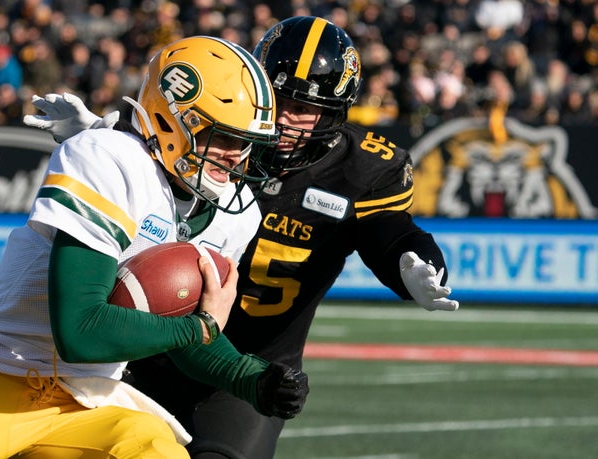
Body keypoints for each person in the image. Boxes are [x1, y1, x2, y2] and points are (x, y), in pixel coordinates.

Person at [25, 16, 459, 459]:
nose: (290, 119)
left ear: (335, 111)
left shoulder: (362, 170)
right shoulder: (214, 137)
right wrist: (105, 138)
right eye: (283, 100)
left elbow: (390, 232)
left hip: (247, 362)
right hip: (151, 340)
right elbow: (156, 155)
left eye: (308, 109)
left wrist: (411, 258)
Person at [0, 35, 310, 459]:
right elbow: (81, 330)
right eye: (227, 138)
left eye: (248, 143)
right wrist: (199, 328)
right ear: (175, 121)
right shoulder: (109, 159)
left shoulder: (238, 214)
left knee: (156, 451)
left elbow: (188, 332)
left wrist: (249, 377)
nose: (238, 157)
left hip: (86, 398)